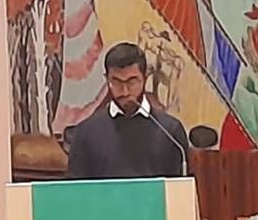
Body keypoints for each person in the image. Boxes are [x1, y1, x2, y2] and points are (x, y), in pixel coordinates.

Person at [66, 42, 189, 179]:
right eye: (116, 82)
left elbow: (180, 188)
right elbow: (75, 189)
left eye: (132, 82)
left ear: (145, 77)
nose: (125, 92)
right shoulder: (86, 133)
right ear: (106, 79)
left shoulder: (170, 131)